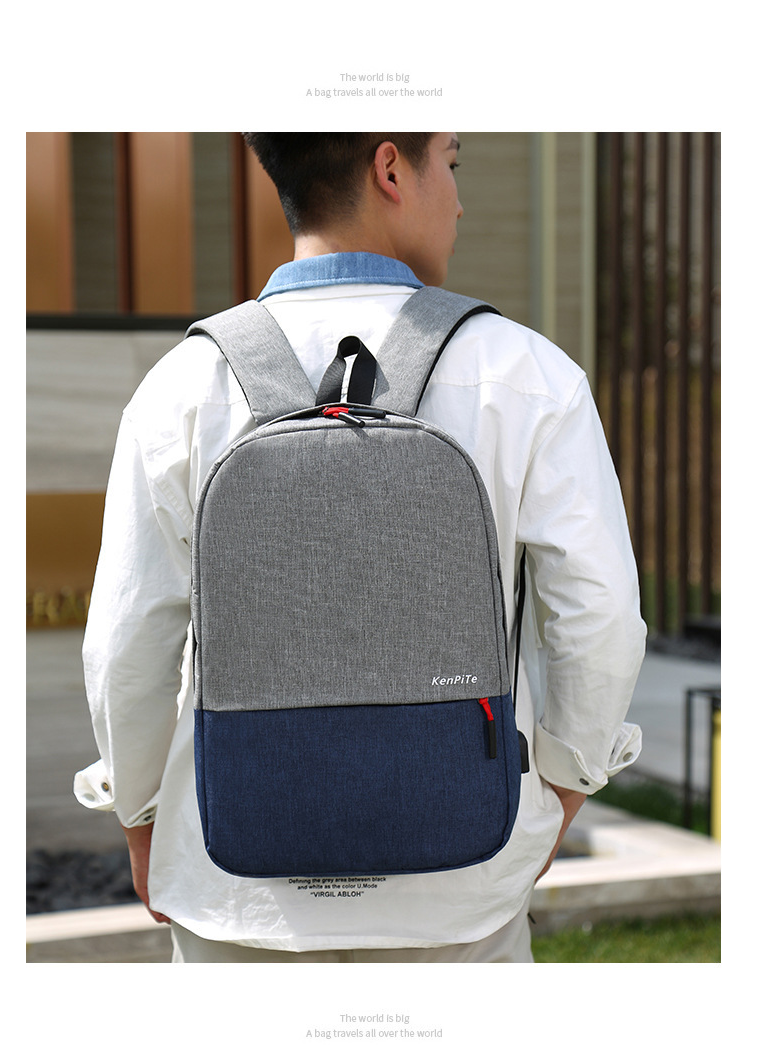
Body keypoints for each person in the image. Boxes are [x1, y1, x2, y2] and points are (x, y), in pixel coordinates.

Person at [74, 132, 646, 963]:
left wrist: (141, 816)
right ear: (390, 169)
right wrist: (561, 789)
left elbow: (127, 640)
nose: (460, 200)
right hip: (463, 883)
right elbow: (600, 615)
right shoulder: (527, 373)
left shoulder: (182, 387)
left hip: (239, 888)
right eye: (451, 162)